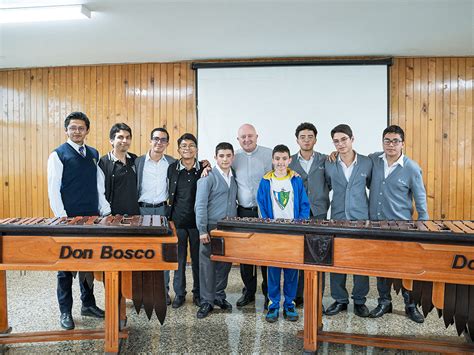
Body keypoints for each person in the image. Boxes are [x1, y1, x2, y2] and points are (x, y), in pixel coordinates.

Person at [47, 111, 110, 330]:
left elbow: (98, 185)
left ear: (87, 130)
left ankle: (88, 304)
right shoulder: (58, 155)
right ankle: (65, 311)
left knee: (88, 263)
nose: (77, 131)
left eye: (81, 128)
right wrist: (62, 218)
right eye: (72, 128)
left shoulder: (93, 153)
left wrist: (105, 210)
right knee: (65, 266)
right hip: (69, 220)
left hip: (92, 218)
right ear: (66, 130)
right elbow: (54, 189)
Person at [368, 125, 428, 323]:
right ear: (382, 142)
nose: (391, 144)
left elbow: (420, 200)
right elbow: (353, 160)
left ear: (402, 143)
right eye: (387, 140)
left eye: (395, 141)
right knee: (379, 266)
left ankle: (411, 305)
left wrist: (423, 226)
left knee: (406, 268)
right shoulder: (374, 161)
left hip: (402, 227)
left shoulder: (411, 167)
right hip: (376, 226)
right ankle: (384, 302)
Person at [257, 144, 310, 323]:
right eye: (277, 159)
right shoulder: (265, 181)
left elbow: (304, 204)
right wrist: (267, 227)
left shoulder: (296, 180)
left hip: (293, 233)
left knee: (291, 271)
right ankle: (273, 305)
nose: (280, 162)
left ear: (289, 160)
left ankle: (289, 304)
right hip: (273, 234)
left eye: (284, 159)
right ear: (273, 160)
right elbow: (262, 206)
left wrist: (299, 225)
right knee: (273, 271)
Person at [324, 124, 371, 318]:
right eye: (336, 141)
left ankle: (359, 300)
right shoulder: (329, 163)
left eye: (344, 139)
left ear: (352, 139)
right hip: (337, 218)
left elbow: (372, 186)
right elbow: (327, 186)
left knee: (361, 263)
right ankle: (339, 299)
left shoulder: (368, 163)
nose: (340, 144)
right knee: (337, 261)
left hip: (361, 220)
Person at [195, 142, 238, 319]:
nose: (225, 159)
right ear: (215, 157)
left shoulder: (234, 178)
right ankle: (206, 301)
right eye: (221, 156)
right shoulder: (208, 177)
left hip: (228, 227)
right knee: (207, 265)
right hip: (210, 228)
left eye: (228, 156)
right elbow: (200, 205)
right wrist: (202, 230)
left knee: (224, 264)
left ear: (233, 157)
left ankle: (219, 296)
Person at [289, 122, 330, 307]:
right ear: (297, 139)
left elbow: (330, 182)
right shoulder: (289, 161)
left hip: (319, 213)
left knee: (319, 256)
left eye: (310, 136)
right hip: (297, 215)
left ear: (315, 139)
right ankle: (298, 295)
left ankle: (316, 298)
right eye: (302, 137)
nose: (306, 140)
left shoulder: (326, 160)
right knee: (298, 255)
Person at [135, 127, 176, 305]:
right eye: (156, 139)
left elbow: (193, 165)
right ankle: (143, 292)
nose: (159, 143)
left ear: (167, 143)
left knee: (163, 252)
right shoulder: (137, 162)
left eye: (163, 140)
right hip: (141, 210)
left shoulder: (173, 162)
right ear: (150, 141)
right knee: (143, 253)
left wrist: (205, 164)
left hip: (162, 211)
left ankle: (162, 290)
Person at [233, 124, 272, 309]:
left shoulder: (269, 154)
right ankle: (248, 291)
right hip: (243, 211)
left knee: (265, 254)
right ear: (238, 139)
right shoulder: (234, 157)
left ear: (257, 136)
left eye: (250, 136)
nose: (247, 139)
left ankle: (268, 292)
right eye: (243, 137)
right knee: (245, 255)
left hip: (264, 212)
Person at [167, 133, 204, 308]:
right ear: (178, 149)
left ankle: (198, 293)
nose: (187, 149)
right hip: (178, 222)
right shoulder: (172, 168)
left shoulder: (203, 169)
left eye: (191, 145)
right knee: (179, 260)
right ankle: (179, 294)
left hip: (197, 223)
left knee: (197, 261)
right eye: (183, 146)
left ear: (196, 149)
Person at [98, 123, 140, 216]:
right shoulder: (103, 162)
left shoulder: (135, 159)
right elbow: (99, 192)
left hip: (134, 214)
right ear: (111, 140)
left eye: (128, 137)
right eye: (120, 137)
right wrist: (106, 213)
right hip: (112, 216)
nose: (125, 140)